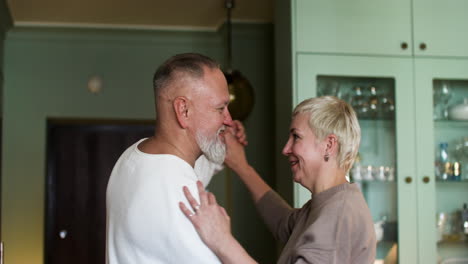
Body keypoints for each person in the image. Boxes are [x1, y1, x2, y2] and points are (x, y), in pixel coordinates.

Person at [180, 96, 376, 264]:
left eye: (296, 137)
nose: (286, 149)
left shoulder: (338, 215)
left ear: (329, 145)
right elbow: (284, 222)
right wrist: (242, 166)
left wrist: (221, 240)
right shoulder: (328, 204)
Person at [106, 53, 247, 264]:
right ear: (184, 110)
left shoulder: (133, 157)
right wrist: (225, 241)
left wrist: (222, 145)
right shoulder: (184, 198)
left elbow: (187, 171)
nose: (228, 119)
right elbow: (180, 183)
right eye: (220, 108)